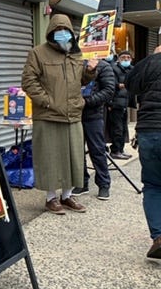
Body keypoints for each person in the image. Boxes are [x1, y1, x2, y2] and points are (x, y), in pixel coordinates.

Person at [21, 14, 97, 215]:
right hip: (48, 115)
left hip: (73, 114)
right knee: (50, 158)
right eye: (58, 31)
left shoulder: (76, 54)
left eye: (66, 31)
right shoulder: (38, 53)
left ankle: (67, 195)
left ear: (72, 33)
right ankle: (50, 198)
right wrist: (47, 101)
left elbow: (81, 81)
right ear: (51, 33)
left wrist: (90, 71)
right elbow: (29, 81)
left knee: (73, 157)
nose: (62, 35)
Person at [124, 45, 161, 262]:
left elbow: (130, 85)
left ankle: (158, 237)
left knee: (154, 185)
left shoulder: (149, 62)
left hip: (149, 132)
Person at [71, 60, 116, 200]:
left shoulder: (104, 66)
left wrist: (87, 102)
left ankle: (104, 184)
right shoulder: (74, 64)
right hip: (74, 114)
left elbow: (108, 90)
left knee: (97, 150)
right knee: (77, 151)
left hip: (93, 114)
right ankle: (82, 182)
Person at [107, 50, 134, 160]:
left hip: (125, 103)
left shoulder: (132, 69)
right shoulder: (113, 69)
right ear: (118, 58)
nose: (126, 59)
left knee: (123, 128)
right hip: (115, 103)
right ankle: (115, 151)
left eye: (128, 57)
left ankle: (121, 150)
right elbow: (112, 85)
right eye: (123, 57)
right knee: (117, 128)